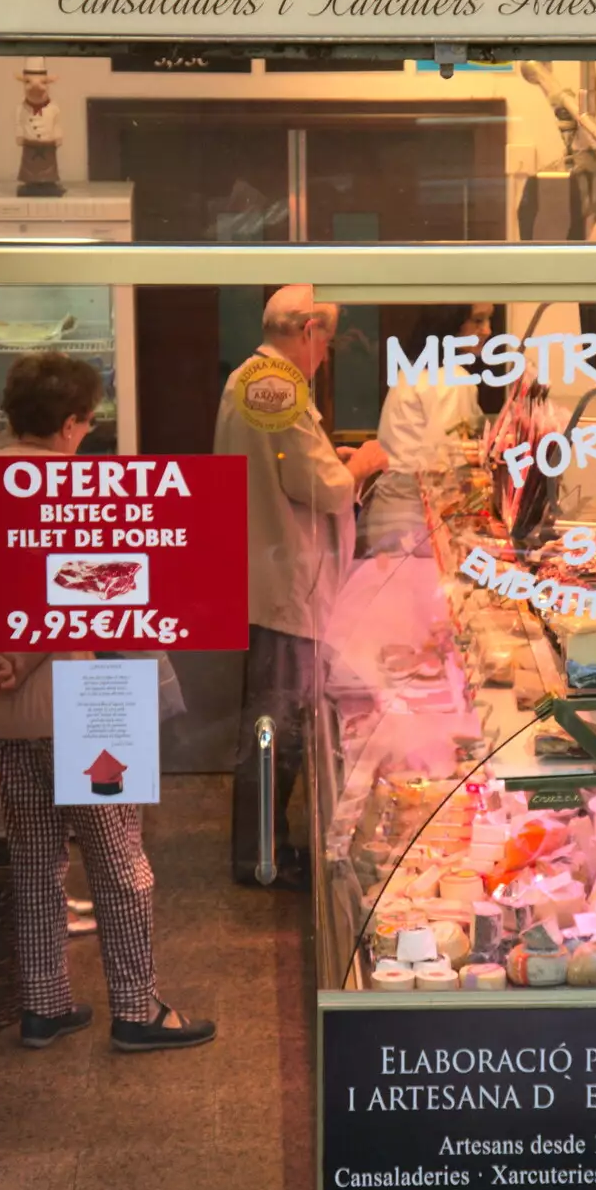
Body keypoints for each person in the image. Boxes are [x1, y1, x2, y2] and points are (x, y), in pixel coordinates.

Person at [0, 352, 215, 1051]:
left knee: (35, 859)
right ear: (72, 425)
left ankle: (44, 1005)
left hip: (7, 711)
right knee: (119, 863)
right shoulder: (84, 491)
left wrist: (2, 656)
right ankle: (139, 1011)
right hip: (97, 698)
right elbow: (97, 591)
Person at [214, 286, 387, 887]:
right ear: (309, 328)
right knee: (274, 728)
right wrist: (361, 463)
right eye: (328, 341)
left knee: (274, 723)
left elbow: (293, 470)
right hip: (286, 578)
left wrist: (333, 463)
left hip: (273, 572)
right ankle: (260, 858)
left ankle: (264, 849)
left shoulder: (251, 377)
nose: (327, 354)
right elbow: (326, 488)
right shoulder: (276, 385)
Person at [358, 303, 493, 556]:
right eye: (477, 320)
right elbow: (446, 464)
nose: (487, 330)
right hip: (421, 523)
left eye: (488, 320)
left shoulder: (413, 371)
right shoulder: (453, 380)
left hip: (389, 515)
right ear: (449, 324)